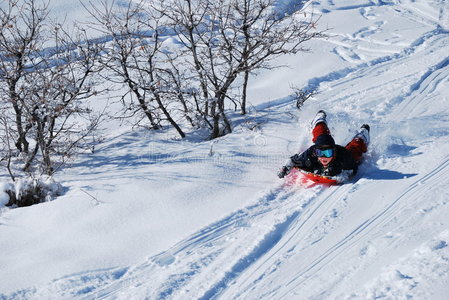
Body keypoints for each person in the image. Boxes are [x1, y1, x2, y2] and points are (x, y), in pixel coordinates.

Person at [278, 110, 370, 182]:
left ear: (333, 153)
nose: (323, 157)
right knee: (320, 135)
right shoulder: (311, 154)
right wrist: (286, 168)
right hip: (321, 144)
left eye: (327, 153)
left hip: (345, 154)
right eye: (320, 153)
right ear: (316, 152)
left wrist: (343, 174)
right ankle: (319, 120)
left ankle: (363, 134)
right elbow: (294, 160)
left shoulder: (343, 157)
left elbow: (353, 167)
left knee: (356, 148)